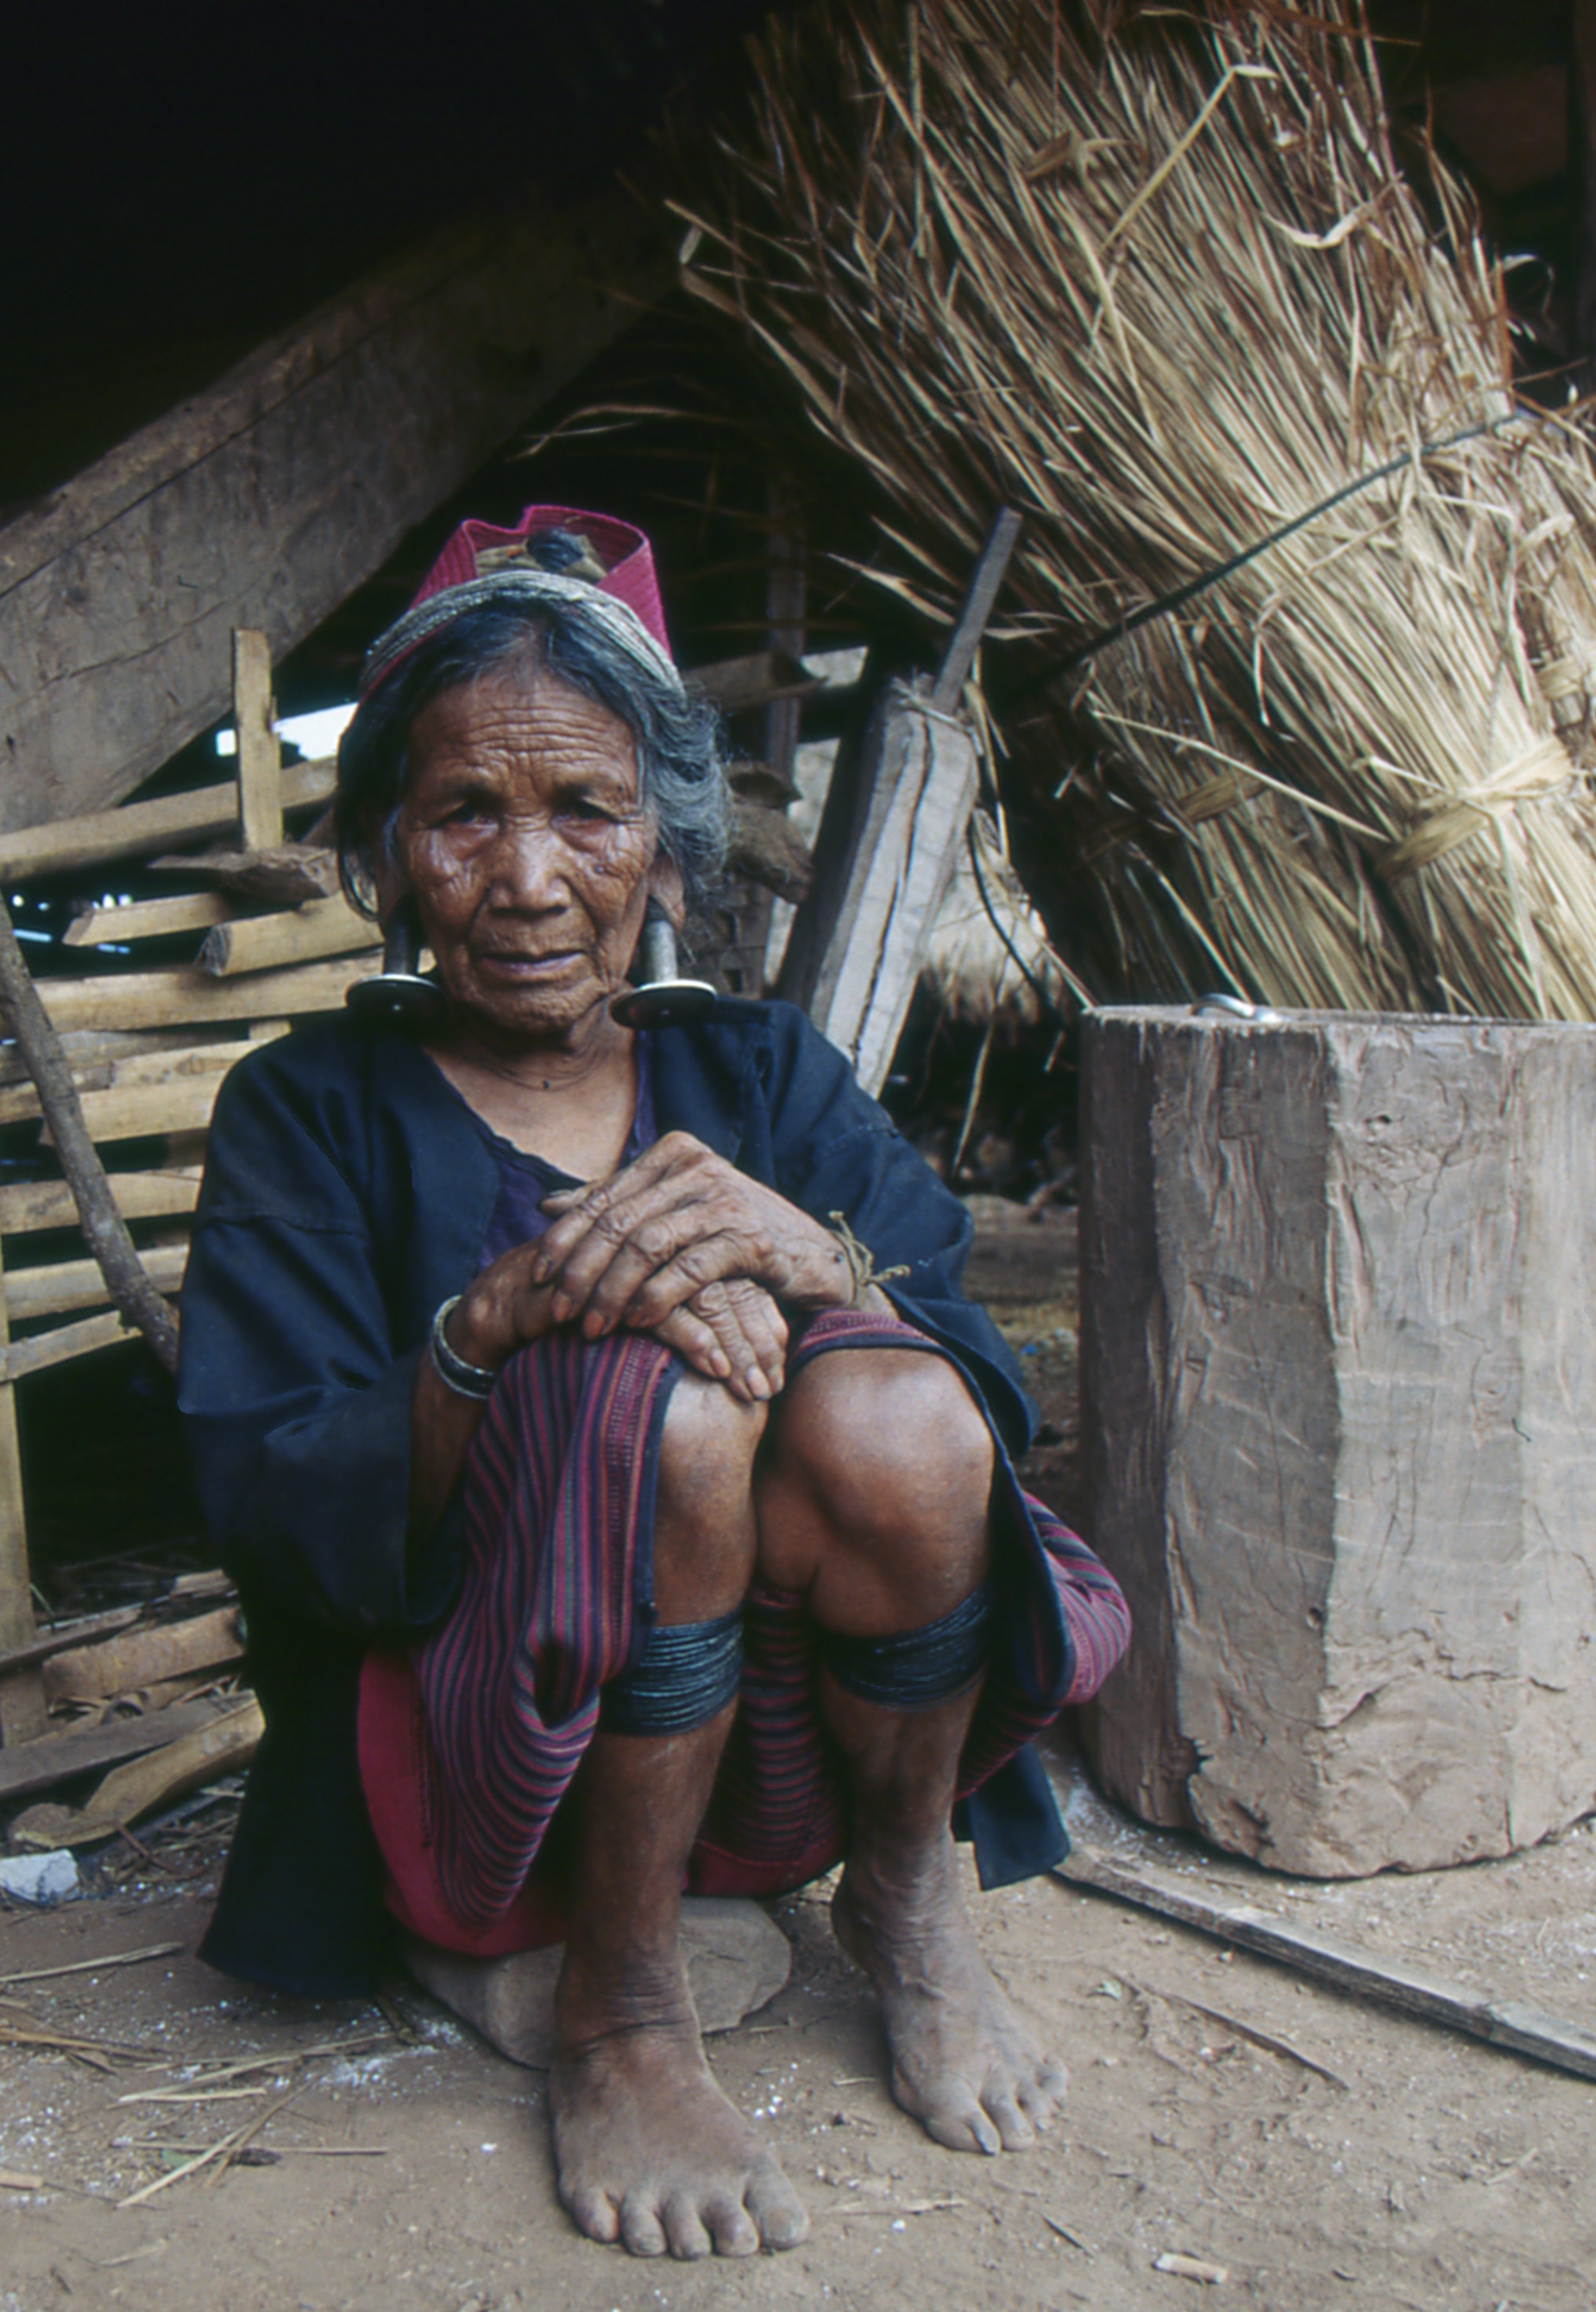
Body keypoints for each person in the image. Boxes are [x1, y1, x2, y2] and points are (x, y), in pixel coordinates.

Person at [179, 508, 1128, 2261]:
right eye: (466, 812)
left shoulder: (757, 1068)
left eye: (586, 811)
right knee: (669, 1396)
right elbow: (270, 1498)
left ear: (669, 854)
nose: (527, 876)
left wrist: (815, 1255)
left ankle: (906, 1897)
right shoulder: (305, 1107)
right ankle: (620, 2005)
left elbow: (989, 1404)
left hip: (774, 1749)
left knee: (899, 1400)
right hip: (483, 1751)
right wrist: (503, 1327)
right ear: (383, 852)